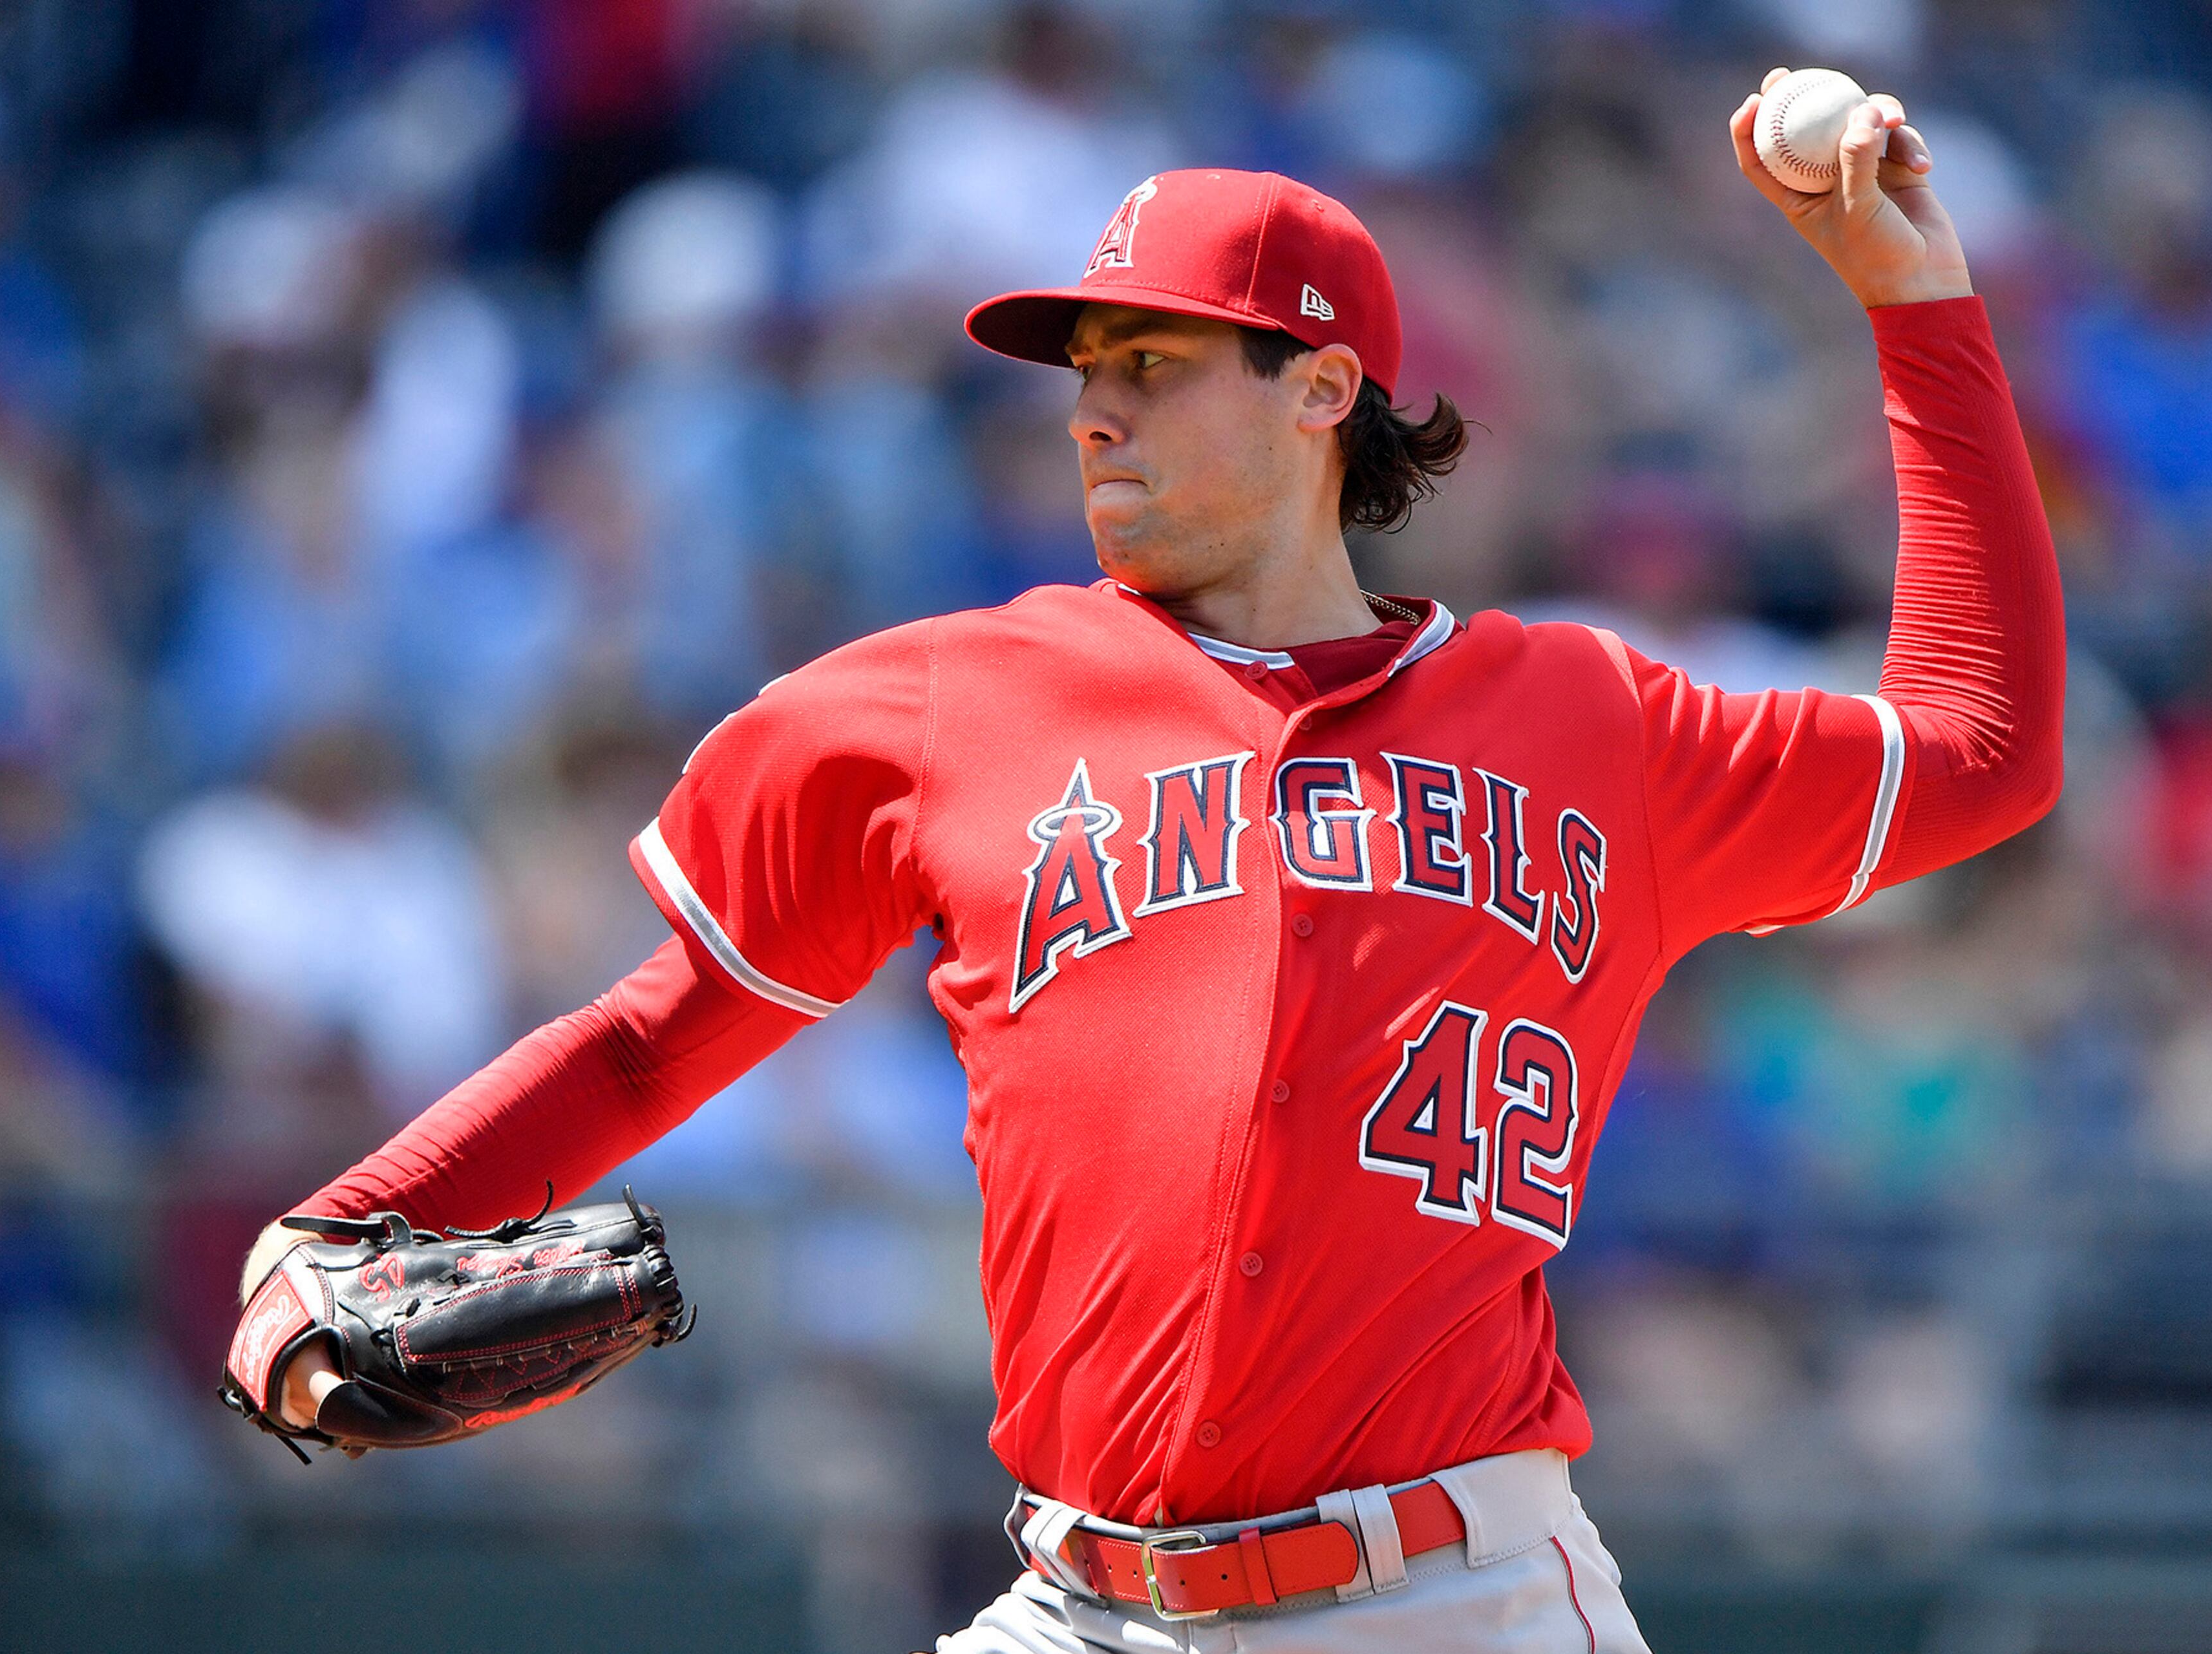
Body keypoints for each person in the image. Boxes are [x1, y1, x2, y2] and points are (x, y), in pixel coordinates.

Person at [231, 70, 2063, 1651]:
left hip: (1454, 1601)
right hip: (1085, 1603)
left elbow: (1984, 751)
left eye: (1156, 362)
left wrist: (1918, 305)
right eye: (1086, 367)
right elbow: (656, 1034)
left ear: (1320, 389)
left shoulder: (1588, 718)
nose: (1093, 406)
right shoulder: (947, 706)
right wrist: (355, 1220)